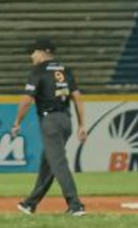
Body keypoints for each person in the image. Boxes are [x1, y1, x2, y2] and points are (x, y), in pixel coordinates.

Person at [9, 38, 88, 216]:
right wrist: (82, 124)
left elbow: (27, 100)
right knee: (49, 162)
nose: (31, 56)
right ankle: (31, 203)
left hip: (50, 121)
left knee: (58, 162)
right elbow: (77, 97)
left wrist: (17, 122)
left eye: (33, 52)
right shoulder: (65, 70)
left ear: (43, 52)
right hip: (66, 120)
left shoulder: (38, 71)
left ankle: (75, 204)